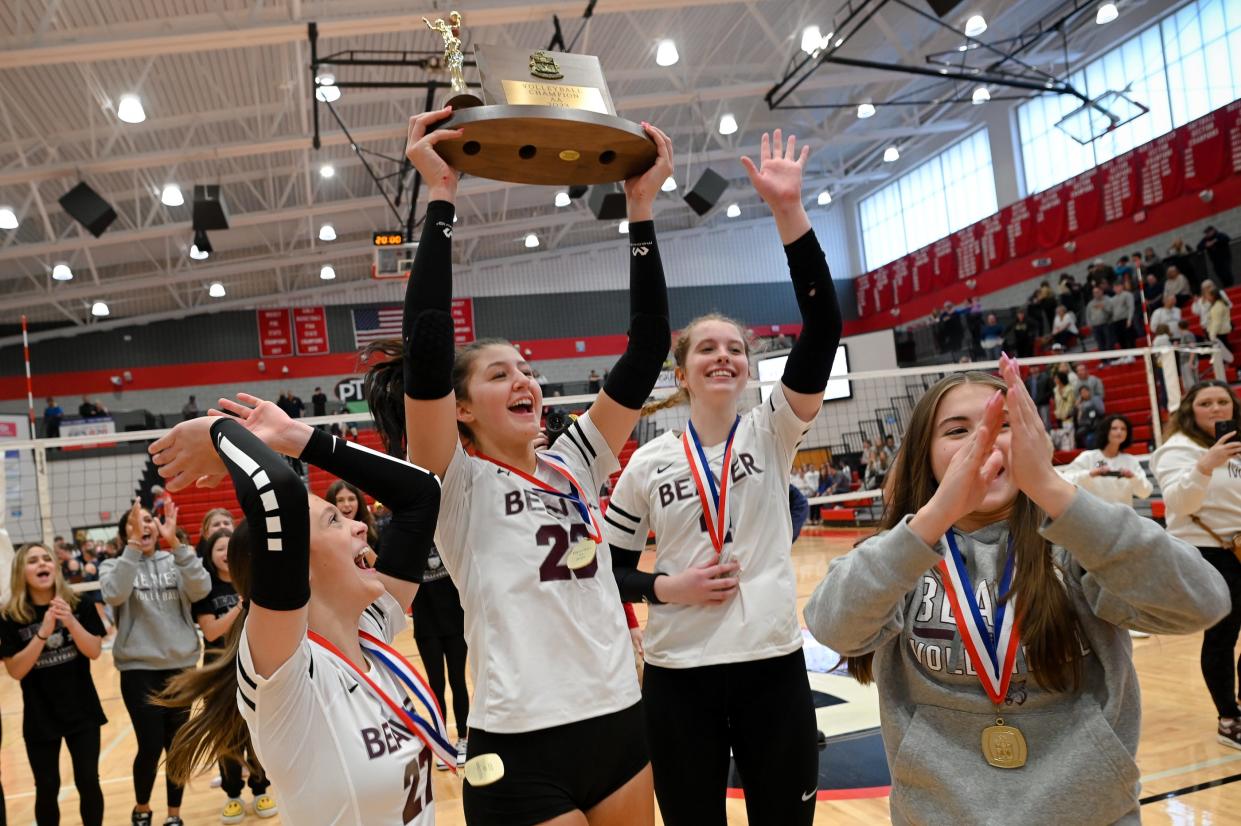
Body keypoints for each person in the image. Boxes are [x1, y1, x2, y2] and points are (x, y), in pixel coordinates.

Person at [359, 106, 675, 826]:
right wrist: (441, 195)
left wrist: (642, 209)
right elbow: (429, 344)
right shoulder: (452, 477)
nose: (524, 382)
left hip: (618, 718)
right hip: (519, 740)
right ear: (461, 408)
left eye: (525, 370)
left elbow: (649, 346)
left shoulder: (574, 463)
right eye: (499, 375)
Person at [804, 356, 1229, 823]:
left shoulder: (1076, 541)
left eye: (1001, 425)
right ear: (924, 453)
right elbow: (833, 627)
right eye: (957, 431)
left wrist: (1049, 484)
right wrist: (935, 515)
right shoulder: (901, 554)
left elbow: (1203, 601)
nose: (982, 442)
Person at [602, 129, 840, 826]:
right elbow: (608, 573)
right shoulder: (646, 463)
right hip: (678, 676)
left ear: (747, 366)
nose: (723, 356)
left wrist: (788, 213)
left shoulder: (773, 429)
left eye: (735, 348)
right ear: (680, 374)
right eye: (706, 347)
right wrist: (663, 588)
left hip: (772, 666)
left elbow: (822, 327)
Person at [149, 394, 446, 825]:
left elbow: (421, 493)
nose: (359, 522)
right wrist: (215, 433)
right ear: (296, 568)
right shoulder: (285, 671)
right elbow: (280, 494)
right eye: (334, 521)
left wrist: (294, 436)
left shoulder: (373, 631)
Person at [98, 498, 211, 826]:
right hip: (139, 670)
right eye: (135, 522)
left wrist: (176, 543)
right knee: (149, 747)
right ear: (126, 534)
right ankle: (142, 809)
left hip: (180, 668)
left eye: (149, 519)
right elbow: (114, 594)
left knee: (177, 748)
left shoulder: (176, 559)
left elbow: (201, 588)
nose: (145, 525)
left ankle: (174, 815)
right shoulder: (114, 565)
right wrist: (132, 548)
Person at [1150, 381, 1241, 748]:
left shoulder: (1237, 446)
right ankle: (1228, 718)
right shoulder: (1177, 450)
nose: (1217, 408)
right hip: (1208, 549)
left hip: (1240, 544)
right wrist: (1206, 465)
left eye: (1223, 401)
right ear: (1191, 410)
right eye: (1207, 403)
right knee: (1222, 633)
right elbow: (1179, 502)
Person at [0, 542, 107, 826]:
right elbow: (16, 671)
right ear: (21, 571)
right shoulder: (11, 616)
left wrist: (70, 622)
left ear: (56, 568)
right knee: (47, 787)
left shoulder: (78, 605)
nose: (42, 564)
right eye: (33, 561)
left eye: (46, 559)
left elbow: (94, 651)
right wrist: (44, 632)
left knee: (88, 780)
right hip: (40, 715)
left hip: (82, 710)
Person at [192, 529, 276, 823]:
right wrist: (240, 606)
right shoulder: (205, 590)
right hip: (219, 673)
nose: (225, 553)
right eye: (219, 549)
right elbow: (212, 631)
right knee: (226, 737)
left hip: (253, 666)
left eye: (230, 547)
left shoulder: (255, 582)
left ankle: (261, 788)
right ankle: (232, 795)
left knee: (256, 733)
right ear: (210, 556)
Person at [411, 544, 470, 770]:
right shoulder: (414, 538)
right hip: (426, 625)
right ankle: (442, 741)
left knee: (458, 681)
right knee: (436, 685)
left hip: (455, 621)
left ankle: (463, 739)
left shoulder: (449, 536)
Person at [1058, 415, 1151, 507]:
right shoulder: (1088, 457)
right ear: (1106, 431)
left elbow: (1145, 492)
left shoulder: (1131, 461)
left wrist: (1133, 477)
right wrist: (1090, 473)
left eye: (1123, 429)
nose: (1119, 432)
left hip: (1122, 518)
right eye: (1114, 428)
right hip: (1093, 516)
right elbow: (1066, 479)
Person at [326, 479, 380, 550]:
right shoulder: (325, 534)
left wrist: (363, 545)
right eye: (340, 500)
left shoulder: (373, 528)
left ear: (359, 502)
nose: (346, 504)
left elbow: (379, 560)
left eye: (351, 499)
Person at [1073, 385, 1105, 450]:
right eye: (1081, 393)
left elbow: (1101, 411)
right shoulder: (1081, 403)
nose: (1084, 394)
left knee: (1089, 439)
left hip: (1094, 425)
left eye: (1085, 391)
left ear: (1089, 391)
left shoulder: (1095, 399)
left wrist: (1089, 409)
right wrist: (1076, 407)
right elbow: (1073, 415)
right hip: (1083, 426)